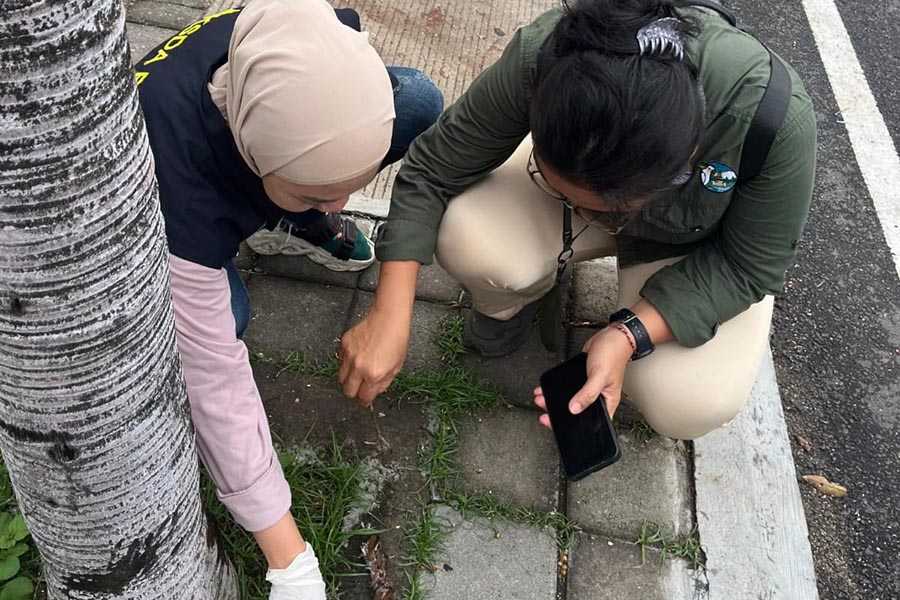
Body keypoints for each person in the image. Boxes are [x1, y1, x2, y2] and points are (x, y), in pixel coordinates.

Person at [338, 0, 816, 441]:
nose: (594, 218)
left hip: (685, 249)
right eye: (574, 195)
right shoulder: (545, 55)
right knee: (470, 239)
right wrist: (390, 310)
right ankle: (514, 301)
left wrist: (630, 333)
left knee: (687, 402)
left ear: (689, 157)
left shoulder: (772, 117)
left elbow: (748, 267)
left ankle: (621, 326)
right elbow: (433, 166)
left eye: (608, 207)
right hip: (589, 194)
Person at [133, 0, 442, 598]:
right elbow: (217, 388)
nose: (341, 208)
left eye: (351, 189)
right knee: (228, 320)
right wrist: (288, 556)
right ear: (252, 153)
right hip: (175, 212)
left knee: (417, 99)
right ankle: (272, 216)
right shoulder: (178, 204)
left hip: (256, 153)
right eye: (318, 196)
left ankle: (285, 213)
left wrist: (312, 188)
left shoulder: (292, 27)